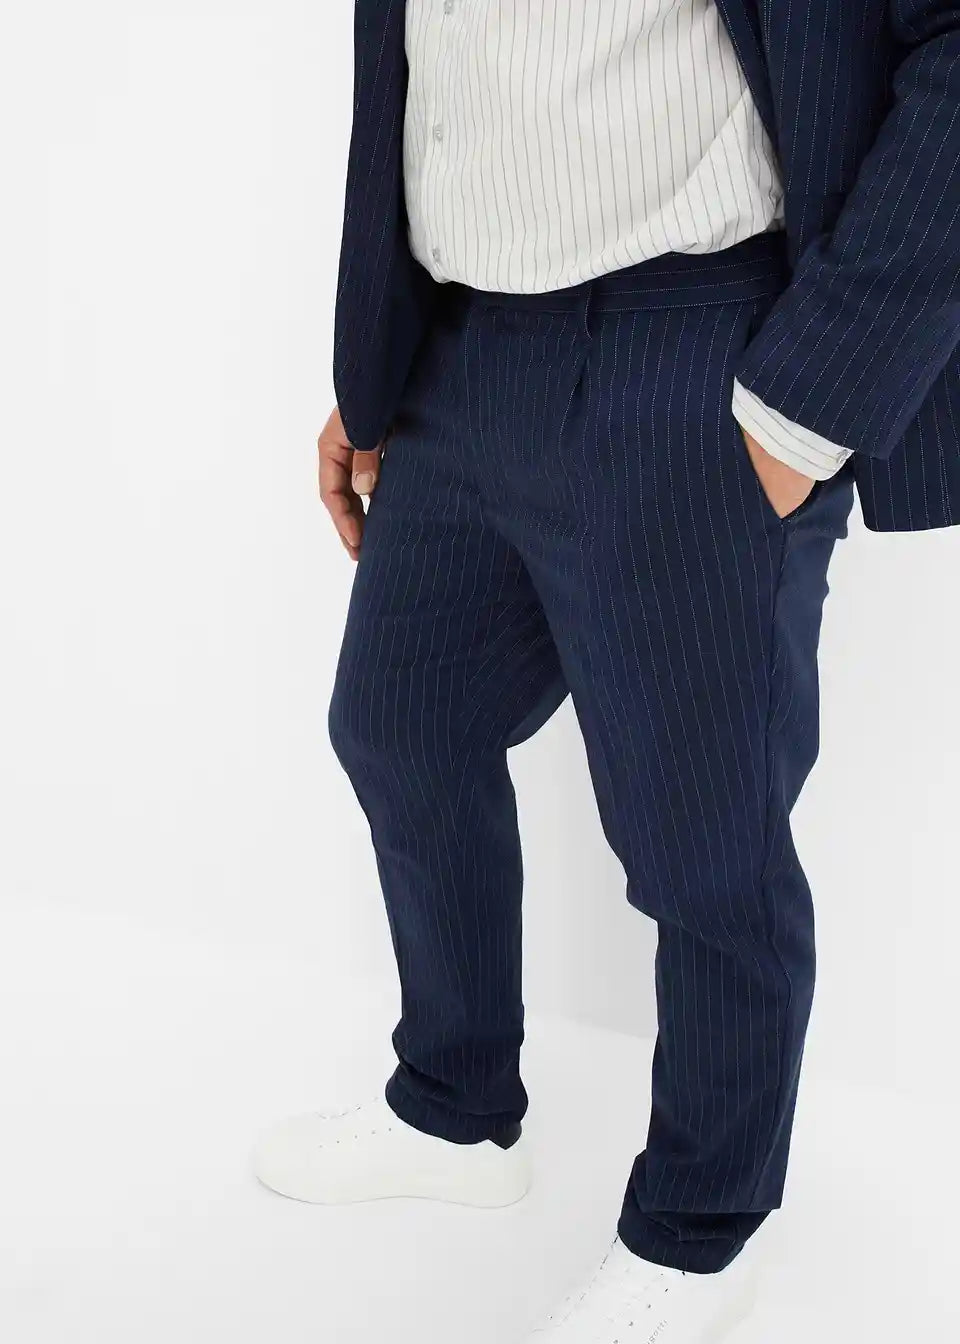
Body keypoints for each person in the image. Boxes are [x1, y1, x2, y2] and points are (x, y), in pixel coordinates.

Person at [254, 2, 960, 1338]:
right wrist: (379, 361)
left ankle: (701, 1230)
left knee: (705, 848)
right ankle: (456, 1109)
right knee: (403, 726)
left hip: (689, 346)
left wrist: (812, 402)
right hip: (461, 349)